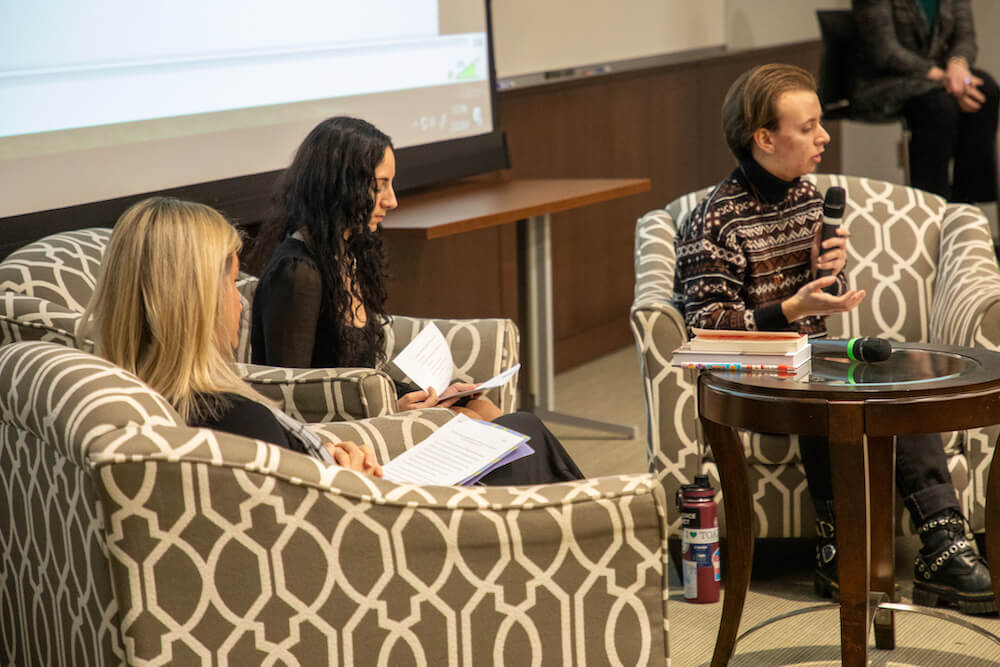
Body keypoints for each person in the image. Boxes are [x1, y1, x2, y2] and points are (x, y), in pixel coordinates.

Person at [673, 63, 995, 614]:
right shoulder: (714, 222)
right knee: (827, 386)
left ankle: (943, 541)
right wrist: (794, 308)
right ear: (765, 138)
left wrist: (831, 277)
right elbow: (708, 327)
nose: (824, 138)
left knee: (895, 373)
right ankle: (837, 540)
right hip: (745, 377)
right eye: (809, 127)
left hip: (806, 355)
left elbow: (818, 297)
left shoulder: (806, 196)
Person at [249, 116, 583, 485]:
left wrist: (424, 395)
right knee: (519, 426)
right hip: (350, 442)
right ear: (338, 187)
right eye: (380, 186)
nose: (392, 201)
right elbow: (291, 395)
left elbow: (353, 366)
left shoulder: (344, 252)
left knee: (483, 409)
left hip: (375, 415)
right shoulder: (297, 273)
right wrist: (391, 408)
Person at [77, 196, 384, 476]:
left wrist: (314, 461)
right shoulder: (238, 425)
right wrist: (351, 481)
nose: (241, 302)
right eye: (233, 283)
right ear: (198, 299)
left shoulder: (124, 406)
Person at [851, 0, 999, 203]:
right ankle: (932, 200)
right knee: (939, 106)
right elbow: (885, 50)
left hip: (944, 78)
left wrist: (958, 65)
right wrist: (944, 77)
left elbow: (965, 37)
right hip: (888, 79)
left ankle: (967, 202)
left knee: (986, 90)